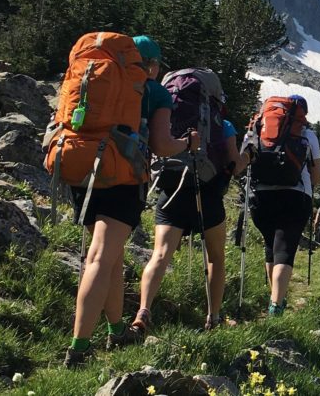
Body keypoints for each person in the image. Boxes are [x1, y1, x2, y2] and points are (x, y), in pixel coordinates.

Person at [64, 35, 198, 366]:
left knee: (111, 255)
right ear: (150, 65)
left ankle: (117, 329)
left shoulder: (95, 74)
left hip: (83, 168)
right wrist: (188, 144)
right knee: (99, 257)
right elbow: (163, 145)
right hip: (122, 176)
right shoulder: (154, 91)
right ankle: (78, 350)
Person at [130, 71, 246, 334]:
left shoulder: (168, 109)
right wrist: (249, 155)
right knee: (215, 257)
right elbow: (234, 165)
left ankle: (143, 311)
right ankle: (213, 317)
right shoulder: (222, 124)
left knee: (160, 254)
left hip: (172, 186)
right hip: (206, 192)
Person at [248, 94, 320, 316]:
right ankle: (276, 306)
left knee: (270, 247)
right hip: (295, 195)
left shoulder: (259, 129)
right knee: (285, 250)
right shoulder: (308, 135)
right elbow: (315, 176)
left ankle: (274, 295)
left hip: (261, 195)